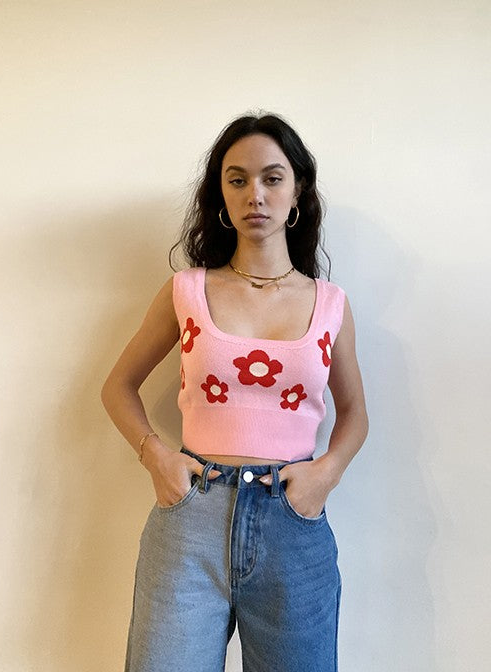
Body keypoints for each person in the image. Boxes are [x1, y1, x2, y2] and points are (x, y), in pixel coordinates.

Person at [101, 112, 368, 672]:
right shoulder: (186, 291)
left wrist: (326, 473)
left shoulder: (331, 305)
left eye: (272, 178)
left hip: (293, 525)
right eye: (237, 179)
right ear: (221, 194)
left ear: (298, 190)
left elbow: (354, 414)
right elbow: (118, 387)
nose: (255, 195)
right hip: (189, 519)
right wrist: (156, 457)